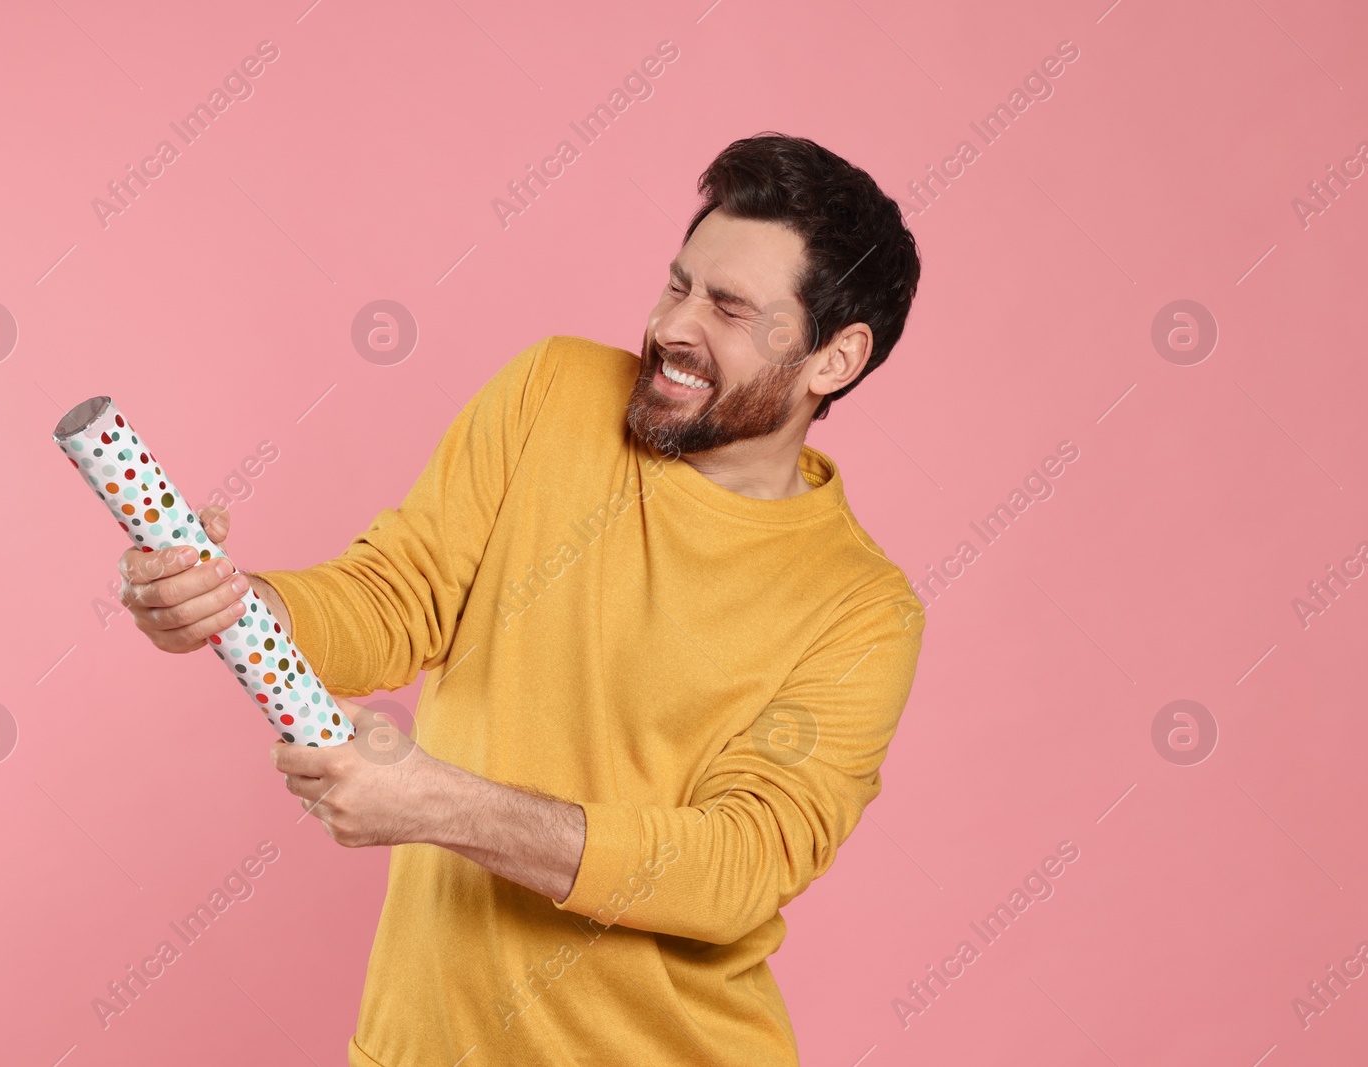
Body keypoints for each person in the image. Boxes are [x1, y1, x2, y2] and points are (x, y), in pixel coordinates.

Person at [118, 131, 926, 1066]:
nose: (673, 326)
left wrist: (443, 806)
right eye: (679, 284)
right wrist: (234, 602)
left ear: (835, 358)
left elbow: (735, 866)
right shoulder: (555, 391)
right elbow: (400, 595)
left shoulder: (864, 611)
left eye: (731, 308)